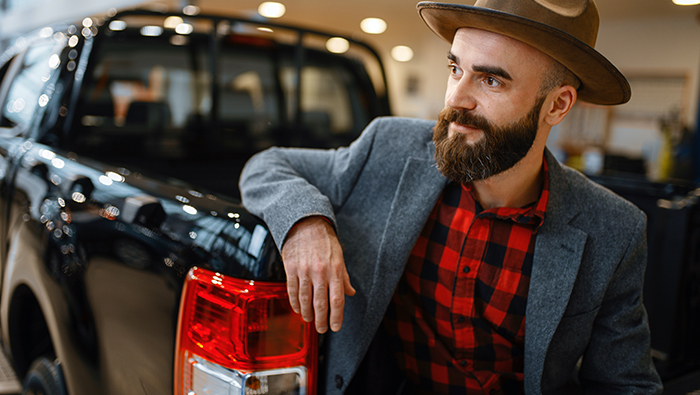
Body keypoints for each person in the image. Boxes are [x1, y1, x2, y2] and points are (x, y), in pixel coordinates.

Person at [239, 0, 663, 393]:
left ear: (557, 105)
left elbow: (625, 385)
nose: (455, 100)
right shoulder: (390, 147)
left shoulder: (613, 230)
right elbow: (268, 165)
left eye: (491, 79)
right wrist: (306, 224)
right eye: (455, 69)